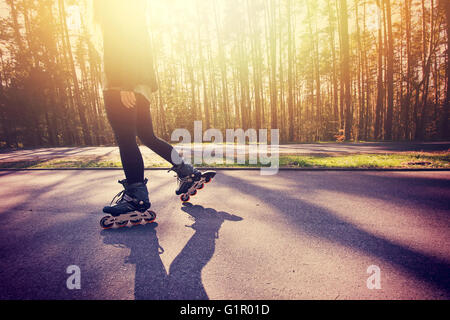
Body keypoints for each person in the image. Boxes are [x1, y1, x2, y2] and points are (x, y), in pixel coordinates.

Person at [93, 0, 208, 220]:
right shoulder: (133, 9)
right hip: (140, 85)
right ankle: (187, 171)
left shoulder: (116, 9)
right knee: (147, 136)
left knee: (125, 138)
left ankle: (136, 197)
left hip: (123, 85)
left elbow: (125, 44)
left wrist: (124, 83)